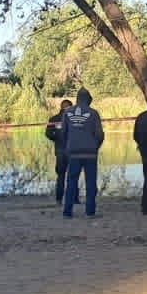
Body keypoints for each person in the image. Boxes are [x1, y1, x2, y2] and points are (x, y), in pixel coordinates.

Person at [60, 88, 105, 218]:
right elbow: (100, 135)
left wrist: (68, 147)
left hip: (73, 153)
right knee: (91, 183)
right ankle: (90, 212)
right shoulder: (93, 113)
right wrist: (95, 146)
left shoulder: (67, 113)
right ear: (88, 99)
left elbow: (63, 133)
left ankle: (67, 212)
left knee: (71, 182)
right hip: (90, 153)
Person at [45, 98, 73, 203]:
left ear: (61, 107)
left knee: (61, 176)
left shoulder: (53, 119)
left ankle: (59, 199)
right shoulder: (73, 119)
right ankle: (74, 199)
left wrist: (56, 138)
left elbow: (48, 134)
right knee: (72, 175)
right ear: (70, 107)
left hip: (60, 150)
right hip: (71, 150)